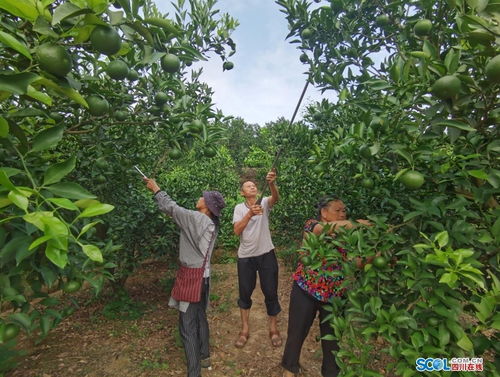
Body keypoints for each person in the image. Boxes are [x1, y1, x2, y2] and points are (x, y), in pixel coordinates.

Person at [144, 177, 225, 377]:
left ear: (207, 206)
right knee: (199, 317)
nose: (199, 198)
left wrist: (156, 189)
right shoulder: (210, 223)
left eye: (202, 197)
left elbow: (172, 208)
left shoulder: (197, 219)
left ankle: (194, 373)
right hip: (204, 277)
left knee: (186, 326)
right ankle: (204, 356)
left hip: (192, 278)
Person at [282, 196, 372, 377]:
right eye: (337, 210)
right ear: (323, 212)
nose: (342, 214)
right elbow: (327, 229)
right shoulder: (313, 225)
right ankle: (289, 368)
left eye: (344, 210)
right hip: (306, 289)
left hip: (335, 296)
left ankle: (331, 372)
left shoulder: (348, 237)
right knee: (297, 332)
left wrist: (379, 256)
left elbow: (357, 263)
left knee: (333, 340)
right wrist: (358, 224)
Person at [232, 169, 282, 348]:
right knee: (245, 293)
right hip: (246, 257)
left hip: (266, 253)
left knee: (270, 291)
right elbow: (237, 231)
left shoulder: (264, 202)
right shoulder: (239, 208)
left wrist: (271, 183)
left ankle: (273, 328)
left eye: (254, 185)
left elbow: (275, 198)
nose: (252, 187)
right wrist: (249, 214)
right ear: (242, 193)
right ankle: (244, 329)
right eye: (248, 186)